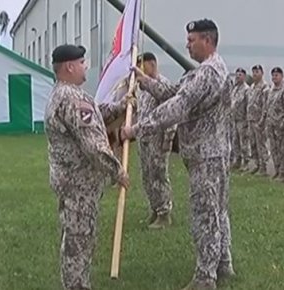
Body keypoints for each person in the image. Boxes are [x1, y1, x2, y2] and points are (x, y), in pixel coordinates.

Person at [121, 19, 234, 290]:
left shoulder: (209, 73)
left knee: (205, 214)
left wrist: (135, 129)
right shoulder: (205, 71)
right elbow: (175, 92)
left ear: (207, 40)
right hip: (211, 154)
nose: (187, 44)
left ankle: (206, 278)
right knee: (217, 211)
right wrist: (144, 80)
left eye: (192, 39)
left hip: (207, 156)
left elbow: (178, 105)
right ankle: (223, 264)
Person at [44, 44, 130, 290]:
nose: (86, 67)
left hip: (69, 183)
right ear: (69, 66)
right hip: (79, 186)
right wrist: (118, 172)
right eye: (82, 62)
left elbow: (96, 114)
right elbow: (94, 145)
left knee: (74, 239)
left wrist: (121, 105)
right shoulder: (72, 98)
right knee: (79, 243)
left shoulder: (61, 94)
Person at [135, 52, 176, 229]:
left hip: (158, 139)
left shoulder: (163, 85)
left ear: (152, 64)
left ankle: (164, 212)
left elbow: (171, 113)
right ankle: (155, 207)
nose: (140, 71)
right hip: (144, 138)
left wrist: (167, 140)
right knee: (147, 176)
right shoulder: (143, 87)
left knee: (159, 175)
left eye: (142, 66)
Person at [266, 67, 284, 182]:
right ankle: (277, 170)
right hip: (272, 125)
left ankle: (283, 172)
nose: (274, 77)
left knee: (283, 150)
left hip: (282, 127)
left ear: (282, 76)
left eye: (276, 75)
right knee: (274, 149)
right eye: (273, 75)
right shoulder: (271, 90)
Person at [246, 65, 270, 175]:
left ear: (262, 73)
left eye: (257, 72)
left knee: (261, 145)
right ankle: (256, 164)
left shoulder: (265, 88)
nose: (255, 74)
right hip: (251, 119)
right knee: (253, 144)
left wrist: (262, 121)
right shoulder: (251, 87)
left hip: (259, 121)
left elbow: (266, 106)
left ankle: (263, 167)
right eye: (253, 72)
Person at [229, 67, 250, 171]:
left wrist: (247, 120)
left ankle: (246, 162)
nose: (238, 77)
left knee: (244, 143)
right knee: (235, 142)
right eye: (237, 75)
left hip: (242, 120)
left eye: (240, 75)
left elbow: (248, 106)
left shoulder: (246, 90)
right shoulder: (235, 88)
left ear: (244, 77)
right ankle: (237, 161)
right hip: (234, 119)